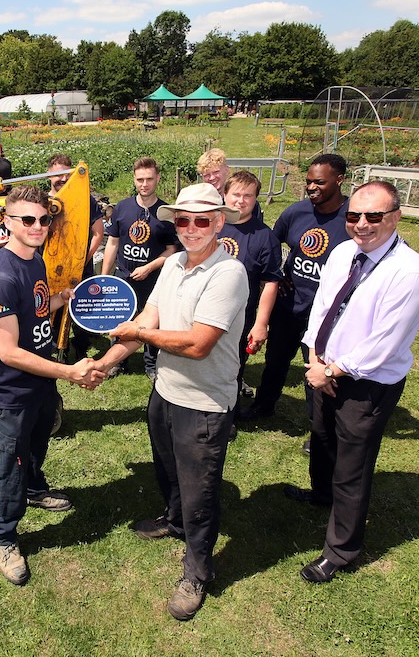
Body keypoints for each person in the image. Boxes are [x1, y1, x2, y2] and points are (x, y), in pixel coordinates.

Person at [95, 183, 248, 621]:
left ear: (220, 222)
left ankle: (198, 570)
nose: (192, 228)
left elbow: (198, 344)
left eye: (203, 220)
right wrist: (105, 364)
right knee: (169, 472)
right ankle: (174, 521)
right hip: (164, 392)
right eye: (183, 220)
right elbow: (149, 318)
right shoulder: (175, 263)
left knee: (200, 492)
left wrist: (139, 335)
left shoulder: (228, 272)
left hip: (204, 403)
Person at [286, 181, 419, 583]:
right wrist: (316, 356)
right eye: (354, 216)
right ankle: (320, 495)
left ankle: (341, 550)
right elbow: (323, 306)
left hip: (365, 385)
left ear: (396, 217)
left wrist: (332, 371)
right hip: (323, 367)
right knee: (322, 439)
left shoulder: (408, 273)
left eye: (374, 216)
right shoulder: (343, 252)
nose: (362, 224)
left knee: (352, 467)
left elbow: (384, 344)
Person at [0, 184, 104, 586]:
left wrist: (64, 298)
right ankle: (4, 534)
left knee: (39, 442)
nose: (37, 226)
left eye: (44, 219)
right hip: (13, 389)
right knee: (10, 462)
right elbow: (9, 351)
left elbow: (35, 308)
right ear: (6, 222)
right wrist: (68, 372)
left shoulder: (33, 262)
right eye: (27, 220)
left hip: (41, 381)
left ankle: (33, 487)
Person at [239, 154, 351, 423]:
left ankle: (319, 429)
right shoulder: (296, 212)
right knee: (276, 361)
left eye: (320, 183)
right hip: (289, 305)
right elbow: (270, 244)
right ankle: (263, 406)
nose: (312, 187)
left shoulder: (352, 218)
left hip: (326, 313)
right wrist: (279, 275)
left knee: (317, 368)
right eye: (309, 182)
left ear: (339, 180)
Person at [100, 156, 177, 379]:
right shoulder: (122, 208)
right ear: (134, 179)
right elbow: (112, 243)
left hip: (154, 279)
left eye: (149, 179)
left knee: (152, 322)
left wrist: (149, 267)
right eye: (140, 179)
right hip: (123, 276)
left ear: (158, 179)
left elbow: (172, 250)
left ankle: (151, 364)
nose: (145, 184)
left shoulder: (166, 213)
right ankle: (118, 361)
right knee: (121, 319)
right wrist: (106, 277)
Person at [219, 171, 283, 421]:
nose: (240, 201)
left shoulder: (264, 236)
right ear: (224, 194)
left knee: (232, 369)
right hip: (200, 310)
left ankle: (227, 418)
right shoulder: (208, 224)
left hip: (239, 317)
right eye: (235, 194)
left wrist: (260, 323)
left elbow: (270, 283)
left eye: (248, 196)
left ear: (256, 199)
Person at [47, 153, 104, 360]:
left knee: (81, 308)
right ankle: (53, 348)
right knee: (52, 307)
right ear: (48, 175)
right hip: (51, 269)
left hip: (81, 268)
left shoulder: (85, 199)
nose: (62, 179)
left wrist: (82, 261)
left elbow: (98, 233)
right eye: (57, 174)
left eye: (66, 174)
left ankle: (81, 346)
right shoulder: (43, 201)